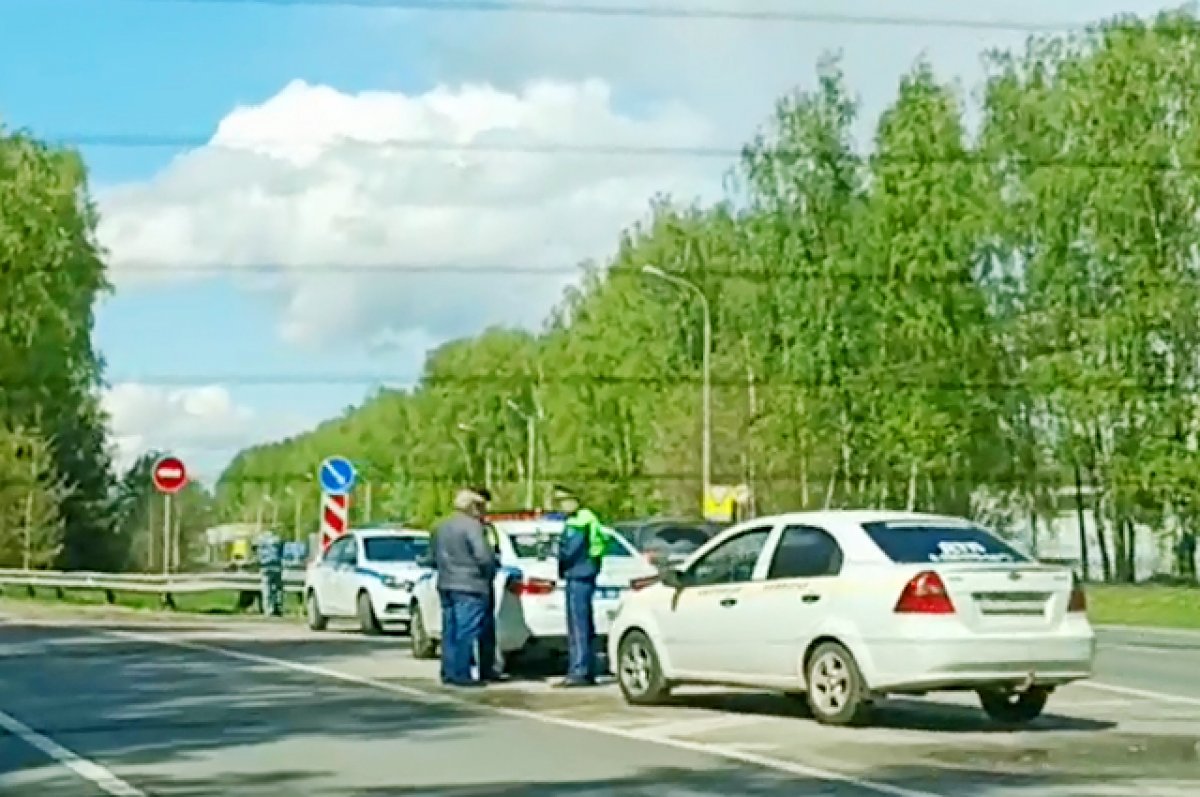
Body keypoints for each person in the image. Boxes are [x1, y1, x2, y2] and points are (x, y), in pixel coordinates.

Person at [432, 488, 498, 687]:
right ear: (473, 506)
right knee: (466, 631)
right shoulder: (473, 527)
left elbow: (432, 555)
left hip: (445, 582)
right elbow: (484, 556)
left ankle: (449, 671)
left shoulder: (440, 526)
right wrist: (490, 572)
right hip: (470, 585)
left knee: (449, 630)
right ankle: (462, 673)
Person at [553, 485, 607, 687]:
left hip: (579, 574)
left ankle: (579, 670)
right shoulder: (585, 518)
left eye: (562, 501)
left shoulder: (579, 521)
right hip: (584, 573)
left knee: (578, 625)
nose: (560, 506)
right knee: (583, 624)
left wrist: (558, 556)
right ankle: (585, 668)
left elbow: (570, 551)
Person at [471, 486, 505, 682]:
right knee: (476, 627)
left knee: (483, 627)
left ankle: (486, 667)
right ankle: (479, 668)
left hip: (481, 581)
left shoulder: (486, 527)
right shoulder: (478, 528)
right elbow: (487, 555)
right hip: (479, 580)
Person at [256, 531, 284, 617]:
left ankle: (268, 609)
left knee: (266, 588)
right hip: (276, 566)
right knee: (277, 589)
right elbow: (281, 551)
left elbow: (257, 552)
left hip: (265, 567)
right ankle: (277, 608)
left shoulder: (260, 540)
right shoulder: (277, 539)